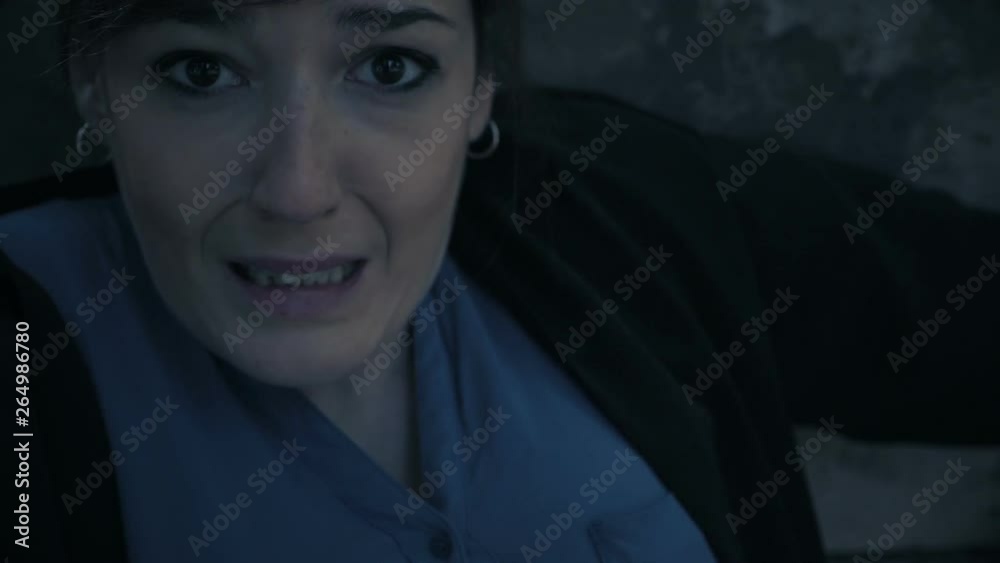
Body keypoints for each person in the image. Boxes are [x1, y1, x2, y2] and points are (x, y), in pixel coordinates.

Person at [1, 0, 997, 562]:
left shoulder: (615, 205)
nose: (298, 189)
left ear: (480, 86)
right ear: (93, 80)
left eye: (391, 68)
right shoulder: (23, 348)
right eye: (200, 72)